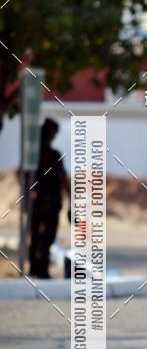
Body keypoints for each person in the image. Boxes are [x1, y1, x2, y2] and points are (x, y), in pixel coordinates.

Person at [28, 117, 69, 279]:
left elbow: (22, 175)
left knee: (36, 235)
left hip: (37, 202)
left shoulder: (33, 155)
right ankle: (41, 269)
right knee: (47, 236)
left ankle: (34, 268)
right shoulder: (53, 155)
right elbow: (63, 180)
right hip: (51, 203)